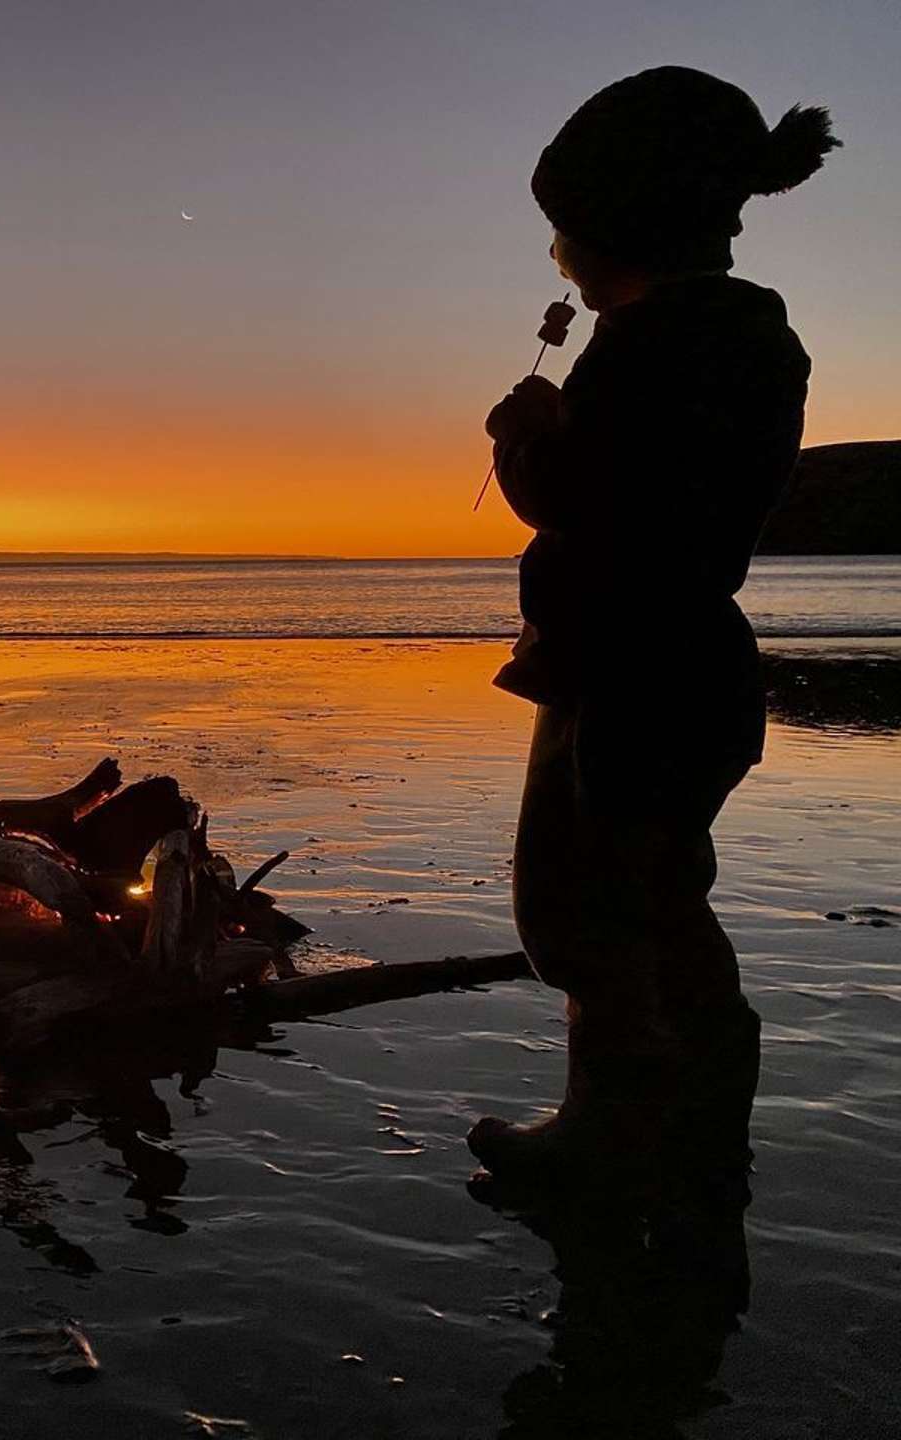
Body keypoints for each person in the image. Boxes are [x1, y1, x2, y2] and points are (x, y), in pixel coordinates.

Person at [468, 67, 840, 1188]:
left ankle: (648, 1133)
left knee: (611, 910)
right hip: (641, 662)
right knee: (610, 904)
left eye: (564, 232)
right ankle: (649, 1125)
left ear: (621, 225)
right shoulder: (723, 337)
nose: (556, 258)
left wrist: (523, 441)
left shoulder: (667, 346)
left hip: (643, 670)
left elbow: (587, 494)